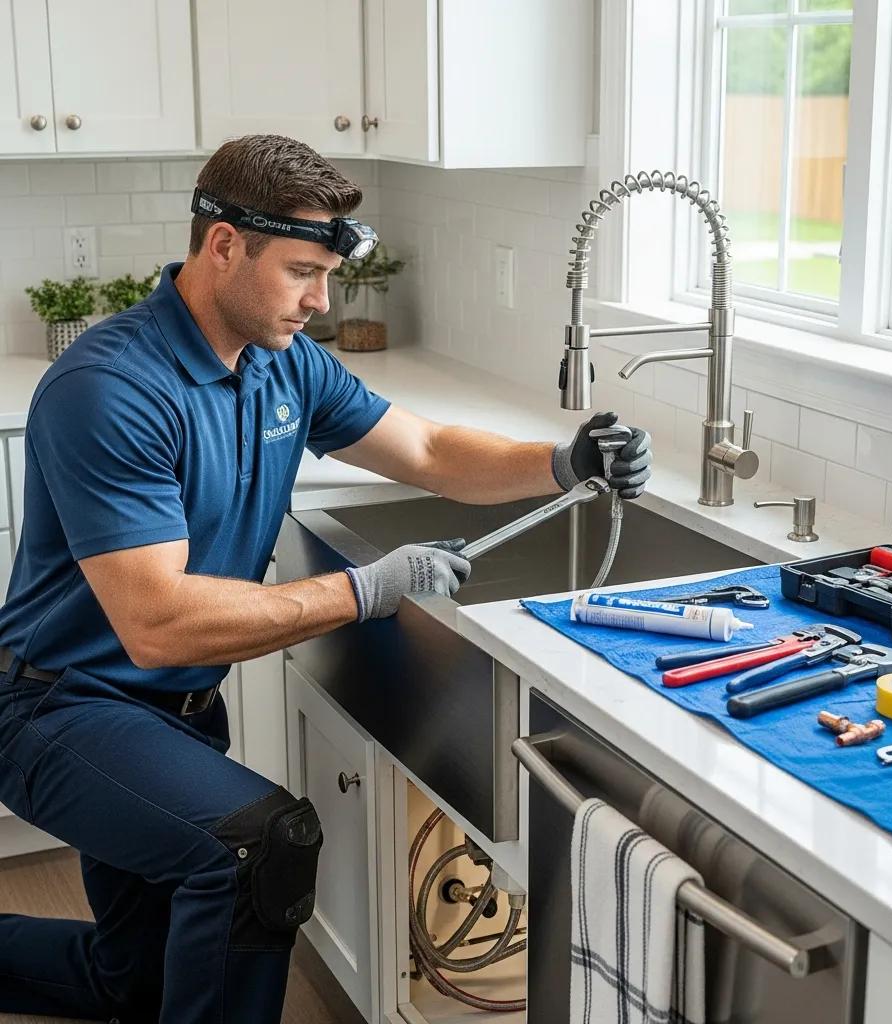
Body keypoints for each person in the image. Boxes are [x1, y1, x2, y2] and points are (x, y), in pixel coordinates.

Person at [0, 134, 651, 1024]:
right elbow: (157, 624)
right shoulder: (111, 387)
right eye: (302, 271)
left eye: (328, 275)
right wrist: (365, 590)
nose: (321, 300)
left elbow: (427, 450)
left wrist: (563, 461)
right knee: (259, 846)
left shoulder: (283, 361)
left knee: (134, 983)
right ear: (223, 245)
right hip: (60, 709)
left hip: (175, 714)